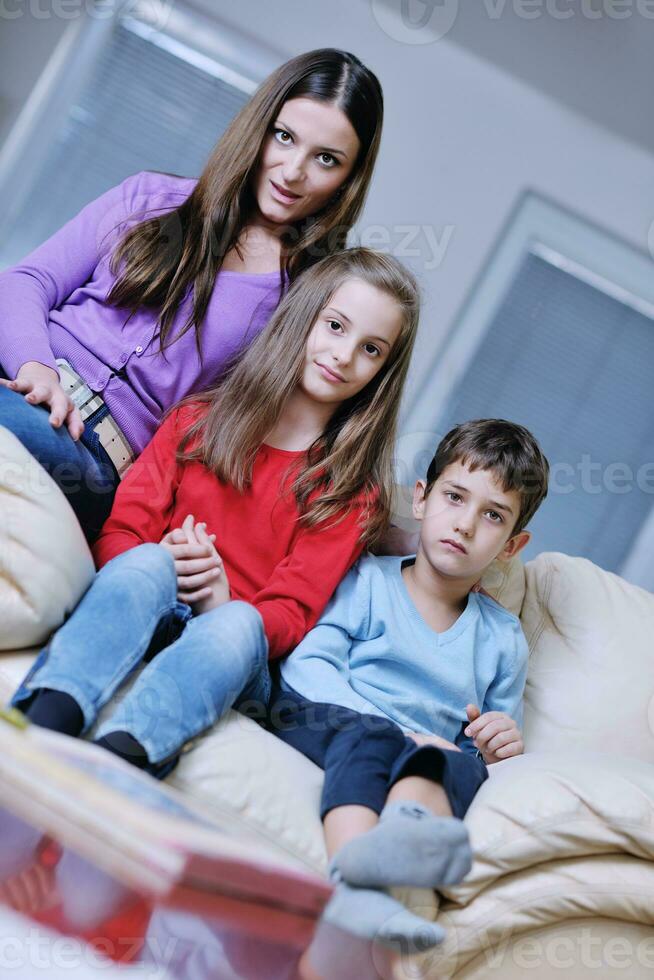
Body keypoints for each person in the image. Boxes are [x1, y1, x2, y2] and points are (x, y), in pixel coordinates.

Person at [11, 248, 420, 787]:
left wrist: (218, 598)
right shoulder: (198, 420)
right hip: (151, 603)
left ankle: (122, 758)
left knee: (238, 624)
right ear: (303, 319)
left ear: (383, 373)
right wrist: (164, 561)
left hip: (233, 643)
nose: (343, 355)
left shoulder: (348, 490)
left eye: (370, 349)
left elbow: (290, 612)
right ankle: (46, 718)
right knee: (144, 566)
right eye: (335, 327)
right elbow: (119, 533)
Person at [0, 48, 383, 541]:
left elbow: (299, 441)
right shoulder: (150, 196)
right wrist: (35, 366)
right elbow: (26, 281)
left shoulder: (312, 301)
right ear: (259, 127)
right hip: (19, 376)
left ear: (348, 180)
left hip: (89, 451)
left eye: (325, 159)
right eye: (284, 137)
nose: (292, 171)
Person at [267, 419, 550, 949]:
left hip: (422, 753)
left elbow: (483, 746)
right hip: (333, 719)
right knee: (374, 737)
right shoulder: (368, 580)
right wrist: (399, 731)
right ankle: (354, 885)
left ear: (512, 545)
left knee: (455, 766)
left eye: (492, 516)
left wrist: (495, 746)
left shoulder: (502, 641)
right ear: (421, 499)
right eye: (455, 497)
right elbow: (307, 668)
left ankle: (405, 830)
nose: (465, 524)